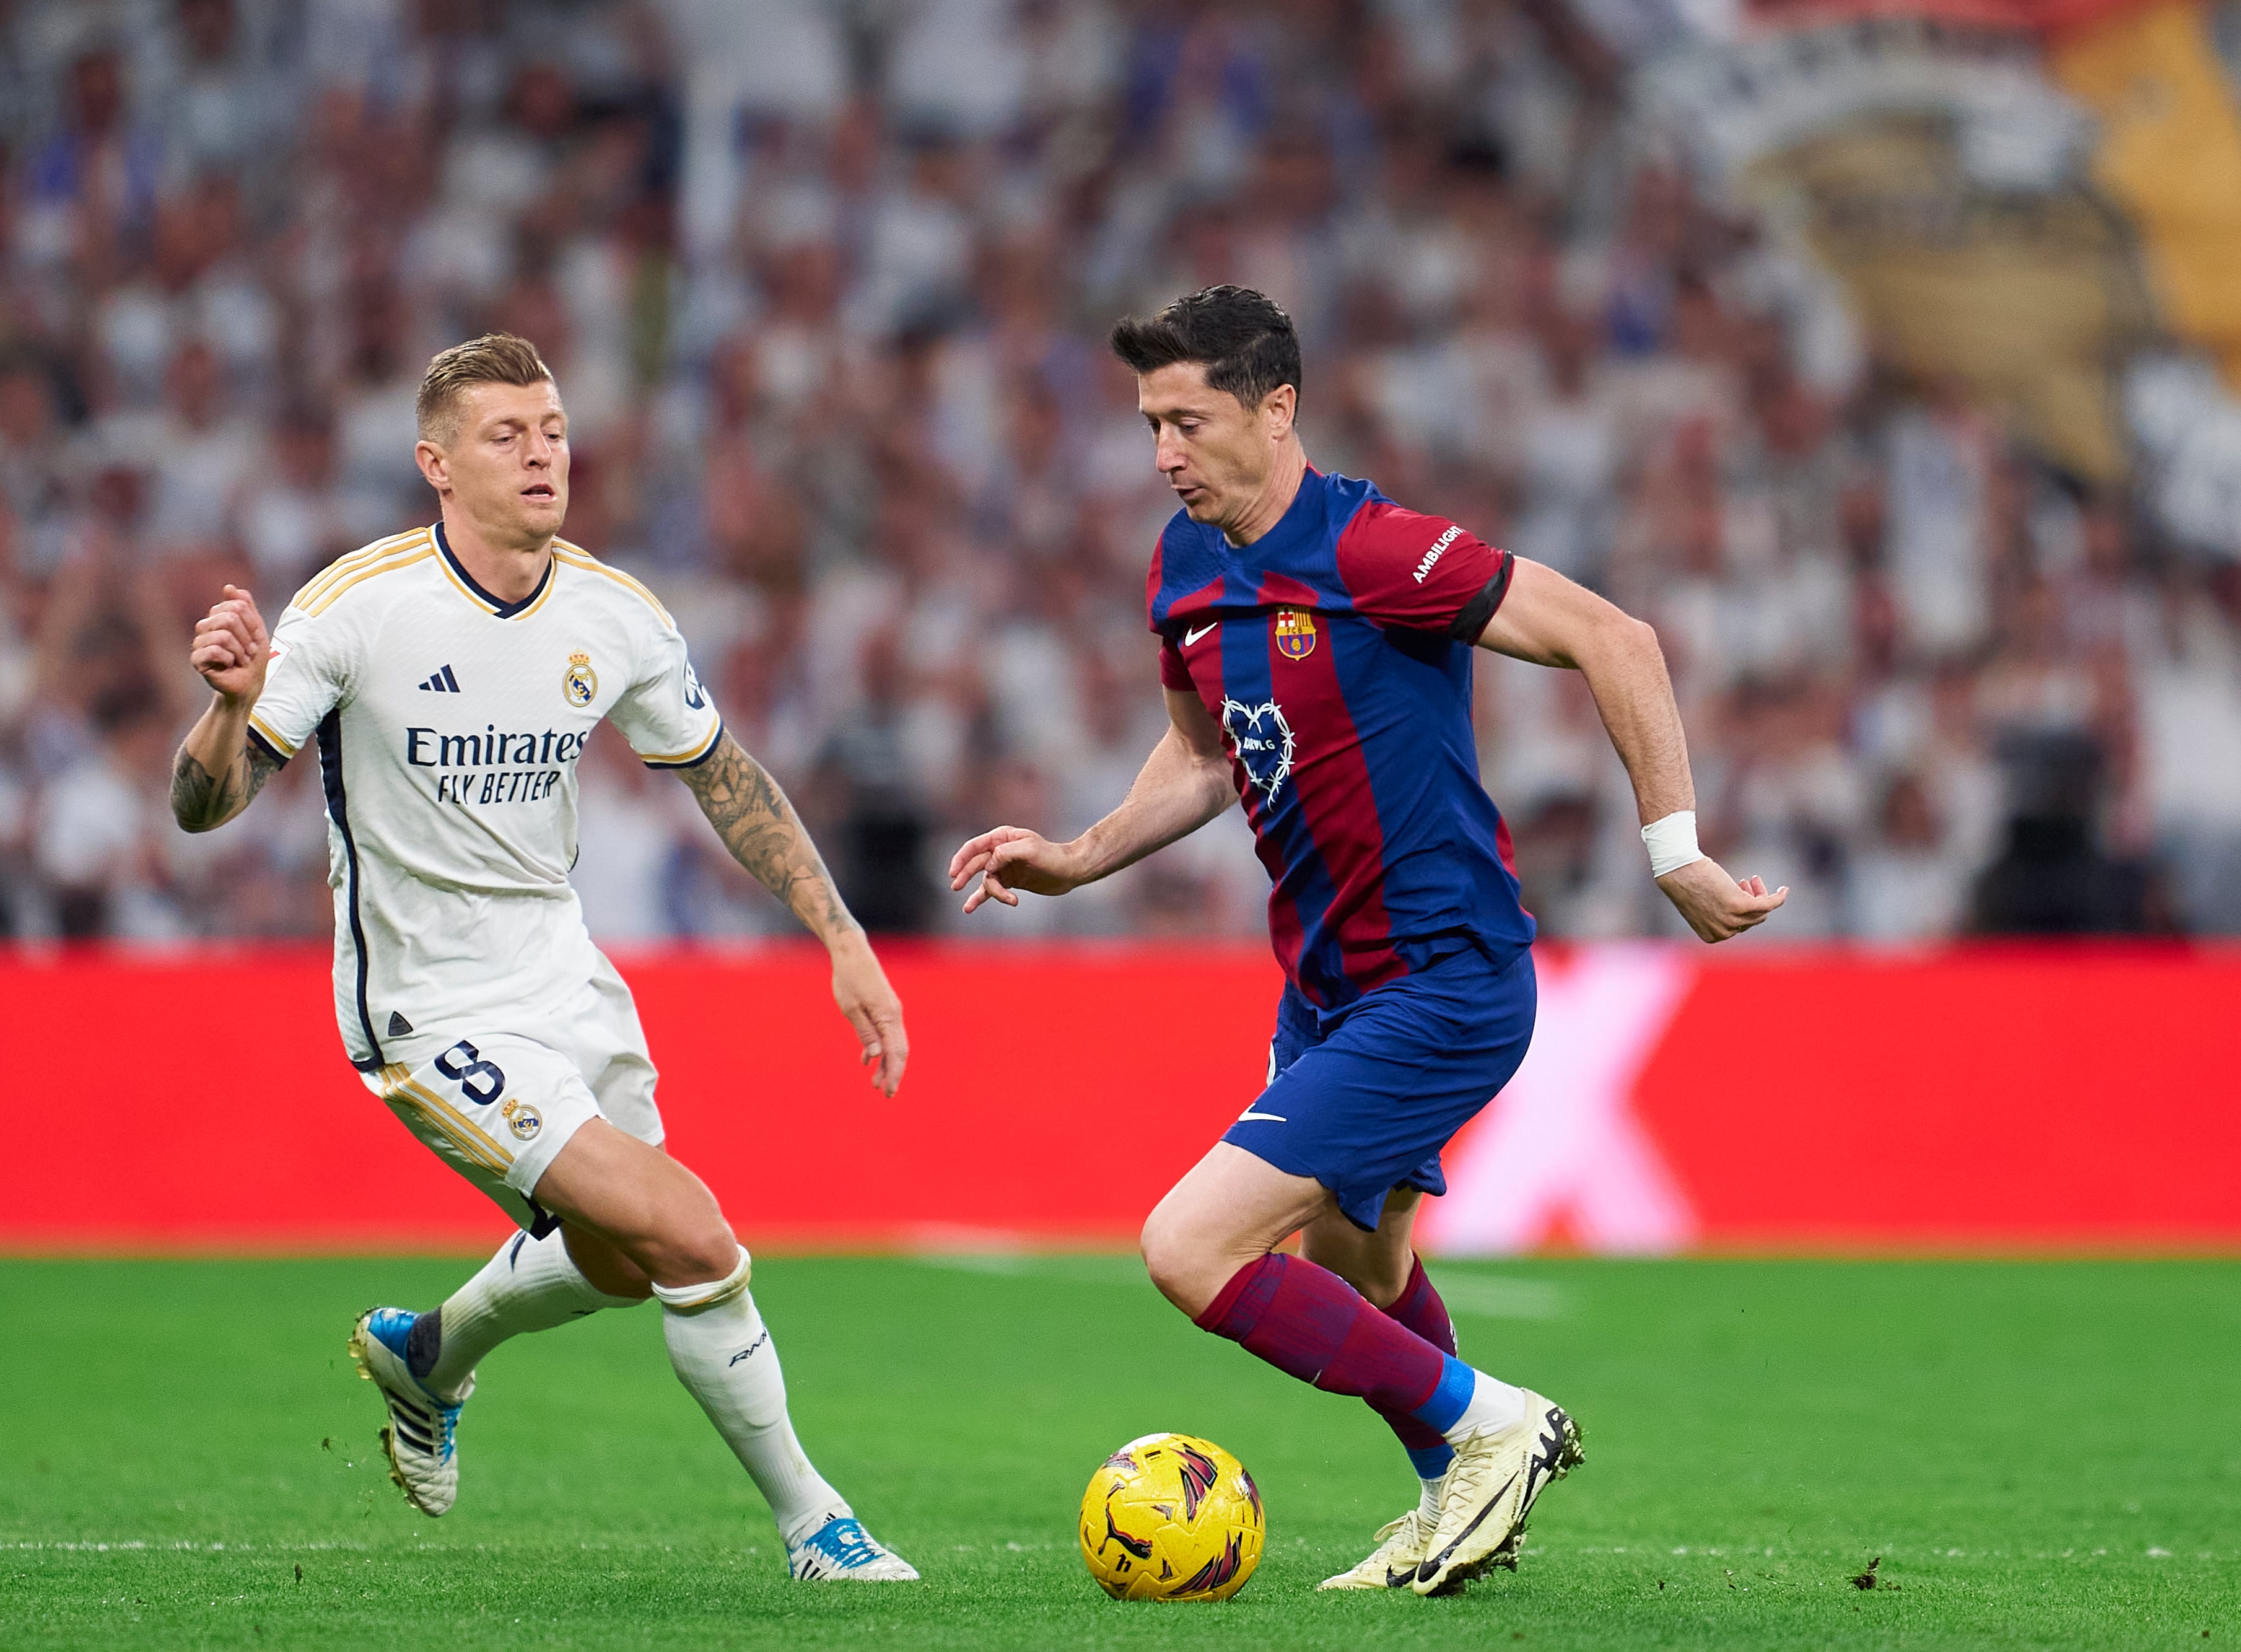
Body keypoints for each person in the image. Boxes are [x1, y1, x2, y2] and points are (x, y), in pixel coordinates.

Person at [948, 287, 1785, 1596]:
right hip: (1325, 986)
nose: (1163, 452)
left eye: (1187, 420)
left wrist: (1670, 847)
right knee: (1359, 1260)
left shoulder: (1374, 548)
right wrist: (1078, 854)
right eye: (1148, 424)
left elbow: (1609, 636)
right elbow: (1196, 756)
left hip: (1442, 982)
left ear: (1275, 408)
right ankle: (1455, 1480)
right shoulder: (1182, 564)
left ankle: (1493, 1425)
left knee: (1189, 1246)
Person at [172, 333, 918, 1581]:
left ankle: (429, 1353)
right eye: (506, 435)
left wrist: (841, 935)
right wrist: (228, 703)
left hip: (567, 982)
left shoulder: (611, 614)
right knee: (693, 1234)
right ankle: (815, 1525)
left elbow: (725, 776)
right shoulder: (358, 605)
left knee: (627, 1263)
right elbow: (207, 804)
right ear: (436, 463)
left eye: (553, 430)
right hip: (426, 1007)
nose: (541, 455)